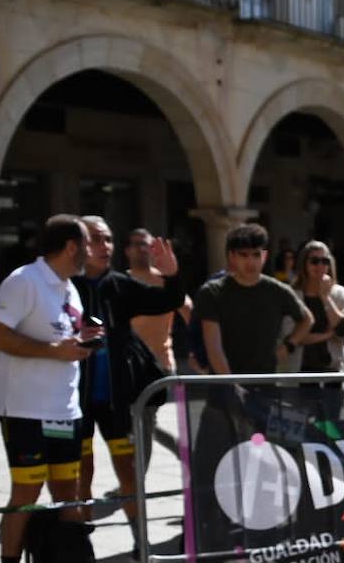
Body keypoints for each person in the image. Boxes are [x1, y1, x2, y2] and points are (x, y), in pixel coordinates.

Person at [0, 215, 104, 563]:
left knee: (67, 492)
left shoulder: (70, 287)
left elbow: (62, 338)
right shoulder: (24, 281)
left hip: (64, 410)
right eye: (87, 243)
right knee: (27, 493)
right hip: (24, 409)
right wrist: (55, 351)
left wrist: (81, 338)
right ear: (71, 246)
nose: (92, 250)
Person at [72, 216, 186, 535]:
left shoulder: (119, 285)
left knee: (130, 472)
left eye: (108, 239)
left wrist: (171, 274)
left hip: (115, 399)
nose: (104, 246)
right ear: (78, 243)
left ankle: (141, 543)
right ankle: (81, 543)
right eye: (96, 238)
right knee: (83, 472)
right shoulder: (65, 286)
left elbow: (170, 300)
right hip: (73, 400)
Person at [195, 224, 313, 375]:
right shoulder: (212, 292)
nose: (251, 262)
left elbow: (307, 319)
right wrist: (231, 384)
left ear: (264, 256)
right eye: (244, 255)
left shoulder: (278, 290)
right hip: (223, 385)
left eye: (256, 255)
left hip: (265, 384)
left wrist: (288, 346)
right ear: (232, 256)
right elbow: (214, 347)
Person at [126, 227, 193, 374]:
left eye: (147, 245)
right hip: (130, 366)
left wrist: (195, 348)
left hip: (163, 366)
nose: (142, 248)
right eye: (137, 244)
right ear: (127, 250)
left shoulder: (166, 282)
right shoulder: (119, 283)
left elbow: (188, 310)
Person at [289, 241, 344, 373]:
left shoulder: (340, 294)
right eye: (314, 261)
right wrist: (327, 335)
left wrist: (326, 298)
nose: (320, 265)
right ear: (304, 264)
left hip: (332, 371)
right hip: (299, 372)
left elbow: (343, 330)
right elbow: (292, 338)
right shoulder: (292, 295)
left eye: (325, 261)